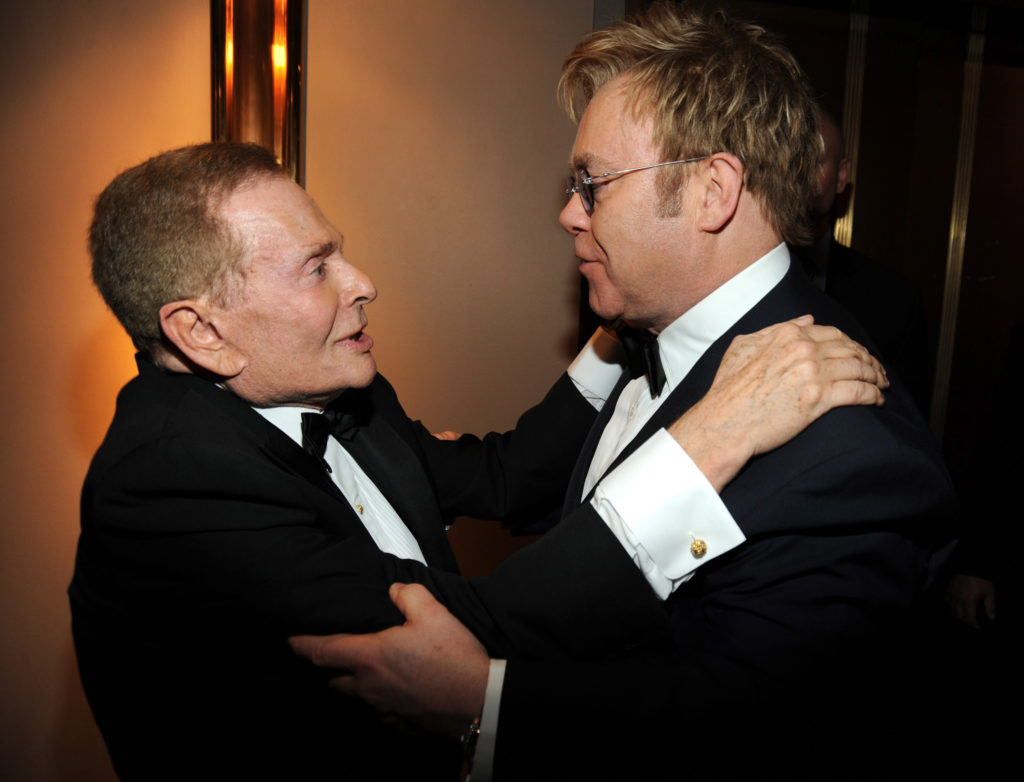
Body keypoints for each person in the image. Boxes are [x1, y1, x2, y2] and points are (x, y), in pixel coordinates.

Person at [69, 142, 886, 780]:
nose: (364, 283)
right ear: (200, 332)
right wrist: (708, 441)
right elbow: (456, 638)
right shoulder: (168, 483)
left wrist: (622, 324)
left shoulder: (338, 384)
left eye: (339, 252)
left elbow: (500, 478)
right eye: (317, 268)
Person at [292, 4, 955, 779]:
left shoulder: (843, 444)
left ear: (714, 191)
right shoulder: (656, 334)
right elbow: (559, 499)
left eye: (592, 184)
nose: (568, 213)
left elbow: (766, 735)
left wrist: (488, 704)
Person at [791, 107, 932, 411]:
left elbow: (907, 424)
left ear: (842, 176)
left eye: (812, 161)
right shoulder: (725, 282)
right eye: (788, 160)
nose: (796, 174)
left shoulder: (895, 301)